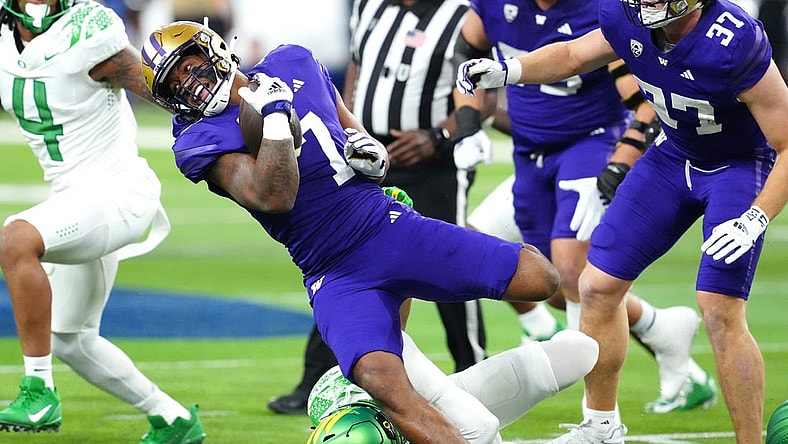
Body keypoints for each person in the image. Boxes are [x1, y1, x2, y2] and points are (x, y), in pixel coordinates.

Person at [141, 20, 560, 443]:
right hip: (334, 272)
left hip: (386, 227)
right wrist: (273, 120)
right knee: (381, 379)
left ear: (213, 49)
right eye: (174, 84)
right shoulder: (196, 138)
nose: (187, 85)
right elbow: (274, 196)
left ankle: (455, 396)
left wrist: (372, 154)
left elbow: (350, 128)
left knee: (541, 279)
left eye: (188, 66)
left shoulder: (292, 59)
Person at [457, 0, 788, 441]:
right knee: (596, 286)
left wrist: (754, 218)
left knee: (719, 307)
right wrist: (511, 71)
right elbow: (573, 55)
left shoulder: (733, 38)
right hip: (673, 155)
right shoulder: (621, 14)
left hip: (738, 165)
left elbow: (787, 142)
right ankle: (601, 426)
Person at [269, 0, 498, 415]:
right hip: (367, 156)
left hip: (435, 165)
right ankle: (317, 380)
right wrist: (347, 129)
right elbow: (354, 68)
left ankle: (473, 367)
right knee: (341, 263)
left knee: (449, 261)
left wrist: (437, 137)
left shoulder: (463, 15)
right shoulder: (370, 5)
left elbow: (483, 92)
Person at [0, 0, 205, 443]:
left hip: (118, 193)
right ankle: (173, 420)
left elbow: (172, 90)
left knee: (16, 238)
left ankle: (38, 388)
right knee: (71, 339)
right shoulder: (5, 41)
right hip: (74, 204)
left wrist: (251, 109)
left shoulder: (89, 31)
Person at [307, 328, 600, 443]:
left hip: (429, 396)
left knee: (580, 351)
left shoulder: (333, 391)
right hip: (422, 404)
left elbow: (483, 426)